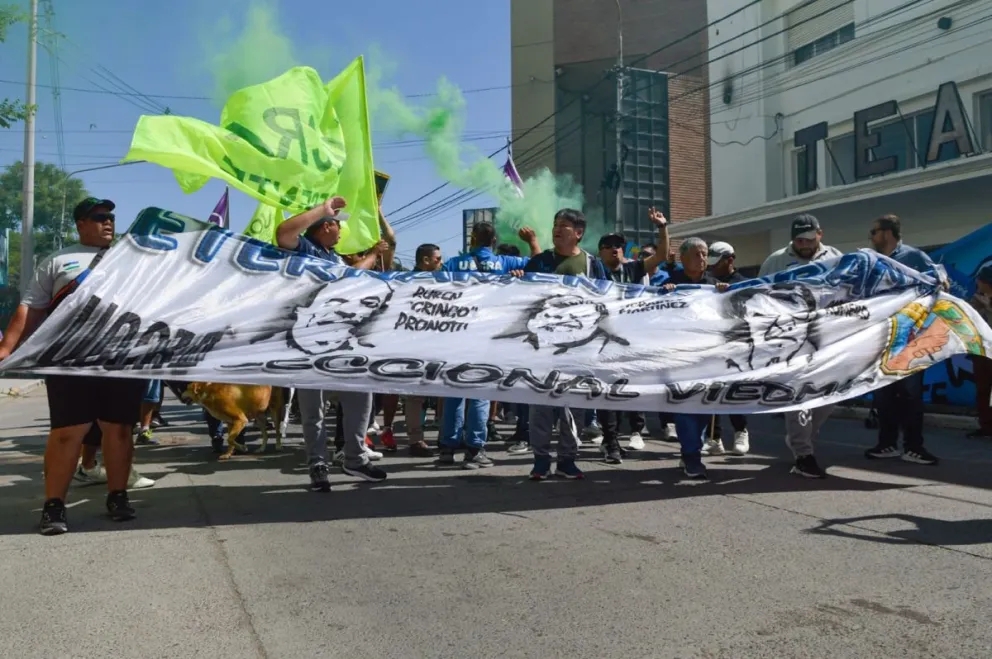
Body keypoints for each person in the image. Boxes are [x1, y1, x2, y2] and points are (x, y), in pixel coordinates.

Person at [0, 197, 145, 534]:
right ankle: (54, 506)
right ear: (81, 224)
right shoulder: (58, 261)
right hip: (69, 358)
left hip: (121, 359)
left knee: (119, 430)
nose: (108, 222)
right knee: (68, 433)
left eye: (111, 217)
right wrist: (6, 347)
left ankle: (118, 496)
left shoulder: (132, 260)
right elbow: (31, 307)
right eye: (100, 217)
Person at [275, 197, 390, 492]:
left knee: (361, 392)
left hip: (341, 340)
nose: (341, 231)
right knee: (314, 410)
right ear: (326, 226)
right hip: (307, 341)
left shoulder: (334, 257)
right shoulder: (304, 250)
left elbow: (353, 275)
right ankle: (318, 465)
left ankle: (354, 458)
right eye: (338, 225)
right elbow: (283, 233)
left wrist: (374, 255)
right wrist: (321, 210)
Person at [438, 222, 539, 469]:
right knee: (481, 392)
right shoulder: (505, 263)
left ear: (471, 240)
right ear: (494, 241)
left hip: (456, 334)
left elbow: (436, 288)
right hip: (487, 335)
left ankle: (447, 450)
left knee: (453, 393)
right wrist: (532, 241)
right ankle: (474, 449)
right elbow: (539, 265)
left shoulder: (453, 264)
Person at [521, 209, 608, 480]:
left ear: (578, 233)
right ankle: (540, 461)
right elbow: (523, 298)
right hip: (544, 347)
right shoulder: (540, 262)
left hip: (579, 348)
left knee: (574, 406)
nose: (557, 230)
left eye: (564, 226)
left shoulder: (592, 264)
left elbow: (608, 298)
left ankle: (567, 461)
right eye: (555, 224)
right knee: (541, 406)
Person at [758, 213, 843, 479]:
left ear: (820, 234)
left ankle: (802, 438)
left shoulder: (836, 257)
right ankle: (803, 453)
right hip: (791, 340)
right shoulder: (776, 261)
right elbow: (758, 296)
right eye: (798, 240)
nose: (803, 244)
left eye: (808, 239)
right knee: (798, 396)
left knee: (831, 394)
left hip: (828, 337)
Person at [595, 207, 670, 463]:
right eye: (608, 246)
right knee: (606, 392)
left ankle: (619, 437)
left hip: (630, 341)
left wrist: (662, 227)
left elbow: (661, 256)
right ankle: (610, 441)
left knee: (626, 390)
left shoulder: (635, 269)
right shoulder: (593, 272)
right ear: (600, 252)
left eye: (619, 245)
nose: (614, 249)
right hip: (602, 342)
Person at [866, 214, 940, 465]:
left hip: (910, 338)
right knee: (884, 394)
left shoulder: (914, 257)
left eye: (874, 232)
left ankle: (914, 447)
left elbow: (938, 282)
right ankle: (886, 444)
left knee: (910, 394)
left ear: (887, 233)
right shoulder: (873, 261)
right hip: (882, 338)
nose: (871, 237)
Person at [662, 238, 729, 479]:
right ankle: (692, 456)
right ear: (683, 258)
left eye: (705, 254)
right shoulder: (670, 283)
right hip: (679, 356)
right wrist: (664, 294)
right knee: (685, 406)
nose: (702, 258)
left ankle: (691, 450)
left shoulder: (713, 285)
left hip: (707, 356)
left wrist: (725, 294)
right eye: (697, 254)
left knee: (703, 407)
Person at [702, 241, 750, 457]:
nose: (712, 267)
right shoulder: (707, 282)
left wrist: (728, 292)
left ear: (730, 259)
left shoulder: (743, 282)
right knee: (712, 391)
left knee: (734, 390)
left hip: (736, 344)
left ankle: (741, 432)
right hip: (712, 344)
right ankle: (714, 438)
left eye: (717, 262)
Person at [401, 243, 444, 457]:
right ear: (426, 260)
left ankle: (442, 436)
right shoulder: (409, 282)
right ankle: (416, 440)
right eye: (438, 259)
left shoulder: (440, 281)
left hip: (434, 343)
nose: (441, 263)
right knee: (415, 395)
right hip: (415, 345)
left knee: (442, 390)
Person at [969, 264, 992, 439]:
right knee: (983, 390)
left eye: (981, 280)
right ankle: (986, 426)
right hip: (981, 351)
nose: (978, 282)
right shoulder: (976, 298)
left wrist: (988, 307)